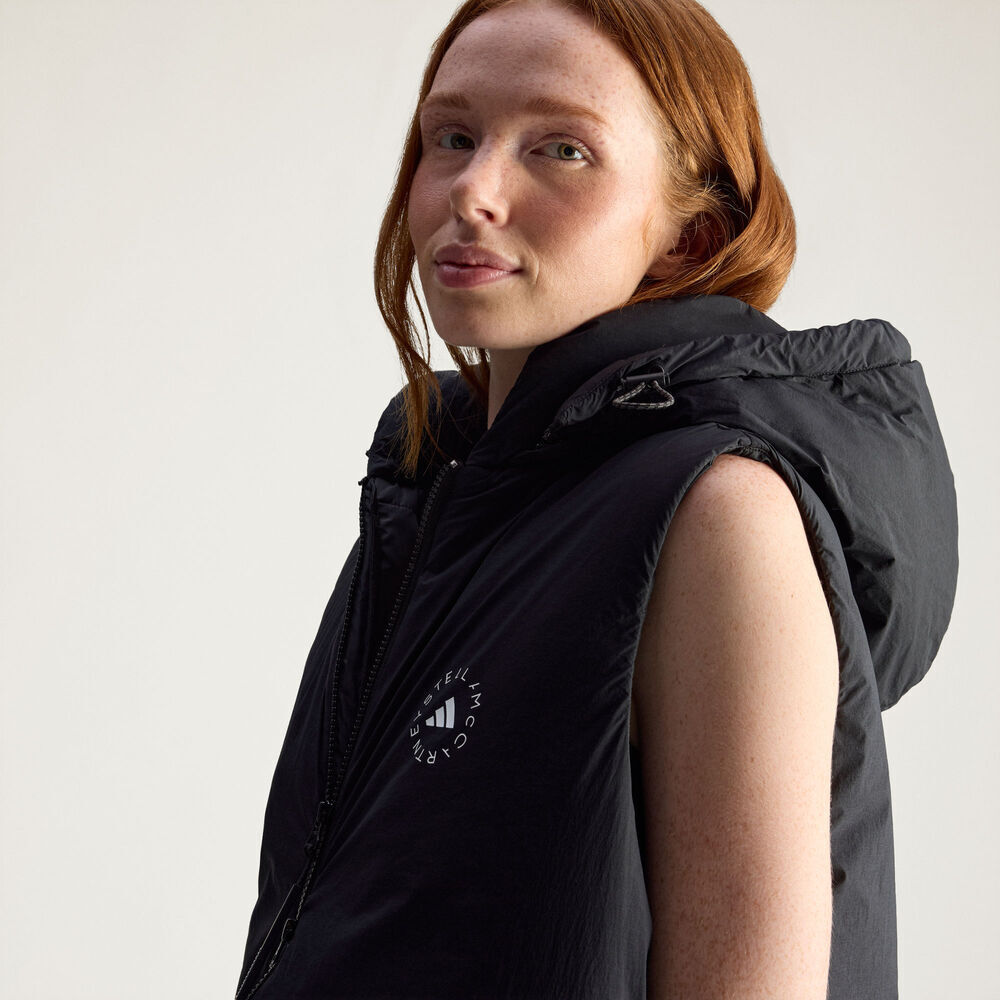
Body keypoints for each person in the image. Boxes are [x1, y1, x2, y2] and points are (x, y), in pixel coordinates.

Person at [234, 1, 958, 997]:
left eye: (562, 150)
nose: (473, 190)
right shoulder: (434, 493)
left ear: (688, 236)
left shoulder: (717, 512)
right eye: (452, 137)